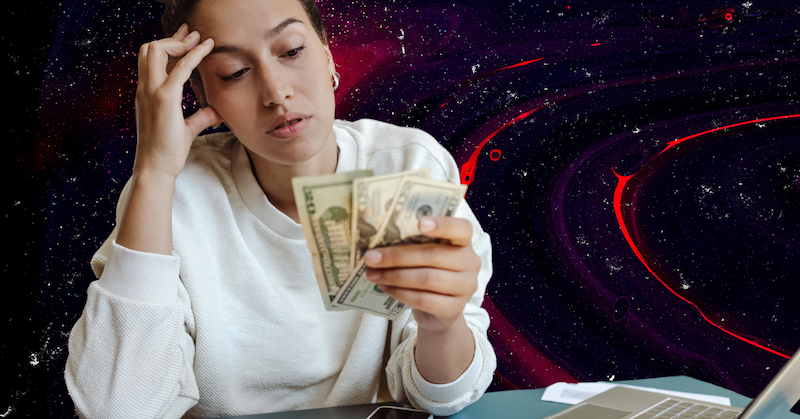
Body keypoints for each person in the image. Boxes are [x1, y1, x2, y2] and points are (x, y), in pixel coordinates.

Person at [65, 0, 495, 417]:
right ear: (200, 93)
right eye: (234, 73)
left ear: (328, 57)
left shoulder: (405, 163)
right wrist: (154, 171)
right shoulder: (172, 194)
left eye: (291, 51)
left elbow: (445, 398)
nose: (275, 92)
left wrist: (441, 326)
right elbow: (116, 409)